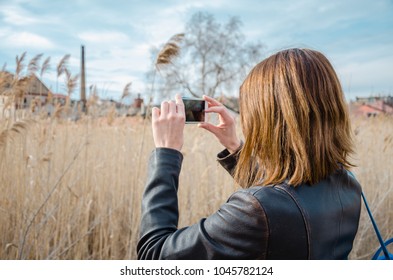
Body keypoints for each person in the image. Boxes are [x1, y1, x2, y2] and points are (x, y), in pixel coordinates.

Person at [137, 48, 362, 260]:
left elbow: (154, 254)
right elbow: (285, 199)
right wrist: (235, 146)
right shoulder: (348, 184)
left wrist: (166, 153)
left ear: (267, 119)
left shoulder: (255, 210)